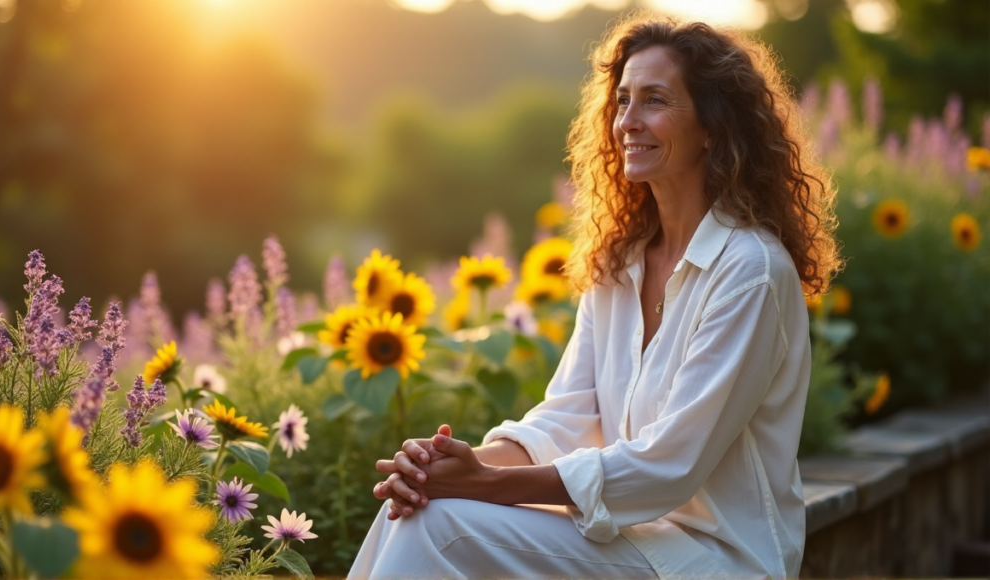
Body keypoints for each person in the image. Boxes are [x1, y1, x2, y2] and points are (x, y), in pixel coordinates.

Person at [350, 13, 840, 579]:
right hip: (626, 538)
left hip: (717, 559)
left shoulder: (751, 272)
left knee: (441, 526)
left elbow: (669, 466)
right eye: (623, 101)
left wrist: (486, 484)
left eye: (654, 100)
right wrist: (449, 467)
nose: (627, 121)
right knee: (411, 505)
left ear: (712, 125)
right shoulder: (619, 264)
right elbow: (564, 421)